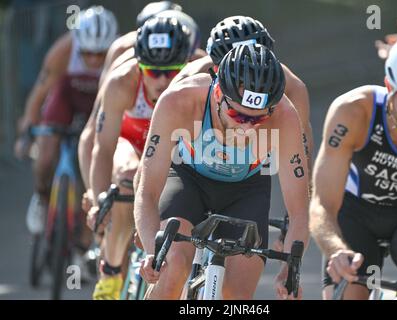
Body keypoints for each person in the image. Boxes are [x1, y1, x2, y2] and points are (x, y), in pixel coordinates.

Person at [134, 43, 310, 300]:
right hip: (188, 179)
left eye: (257, 119)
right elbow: (147, 191)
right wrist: (153, 253)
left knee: (235, 298)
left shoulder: (284, 116)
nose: (247, 128)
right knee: (171, 270)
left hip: (246, 189)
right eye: (238, 116)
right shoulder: (179, 100)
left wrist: (289, 270)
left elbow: (299, 211)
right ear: (217, 94)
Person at [310, 34, 397, 300]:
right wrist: (335, 249)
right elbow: (322, 204)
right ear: (389, 86)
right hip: (353, 213)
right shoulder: (353, 113)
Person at [86, 16, 193, 300]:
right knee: (127, 179)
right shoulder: (121, 82)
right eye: (152, 71)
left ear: (187, 61)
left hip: (174, 147)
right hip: (131, 144)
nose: (160, 80)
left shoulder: (199, 71)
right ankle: (109, 275)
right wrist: (98, 199)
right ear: (138, 65)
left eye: (171, 71)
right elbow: (103, 147)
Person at [14, 5, 118, 237]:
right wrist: (28, 129)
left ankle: (84, 237)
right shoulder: (63, 51)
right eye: (87, 53)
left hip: (100, 103)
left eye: (100, 53)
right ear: (78, 44)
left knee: (95, 169)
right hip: (66, 98)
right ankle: (41, 198)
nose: (93, 59)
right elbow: (39, 93)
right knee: (45, 156)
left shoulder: (120, 52)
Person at [172, 16, 313, 176]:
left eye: (255, 72)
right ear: (214, 64)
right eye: (233, 73)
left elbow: (302, 145)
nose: (244, 83)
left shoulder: (292, 86)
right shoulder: (190, 78)